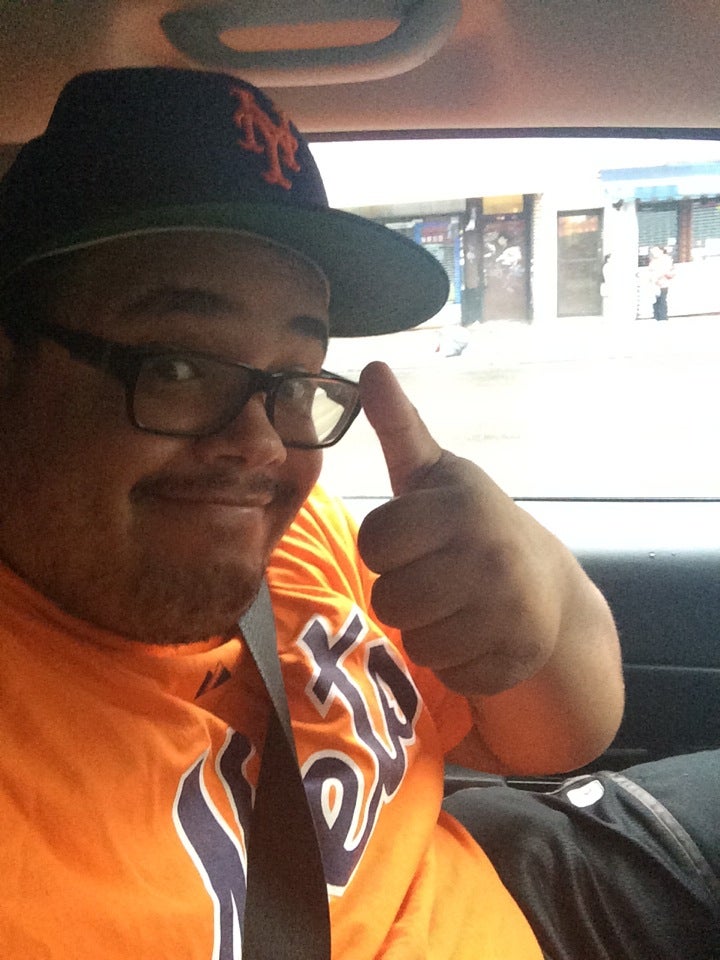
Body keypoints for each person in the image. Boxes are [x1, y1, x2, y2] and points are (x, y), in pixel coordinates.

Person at [0, 68, 716, 960]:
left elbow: (557, 738)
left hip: (516, 887)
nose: (261, 446)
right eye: (179, 365)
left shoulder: (301, 542)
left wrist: (544, 586)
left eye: (295, 379)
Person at [648, 245, 675, 321]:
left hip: (663, 282)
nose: (653, 253)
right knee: (655, 300)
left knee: (662, 299)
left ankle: (663, 317)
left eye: (655, 251)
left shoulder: (666, 259)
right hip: (655, 283)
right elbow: (650, 271)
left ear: (661, 251)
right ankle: (656, 316)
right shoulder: (653, 261)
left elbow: (666, 271)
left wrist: (657, 278)